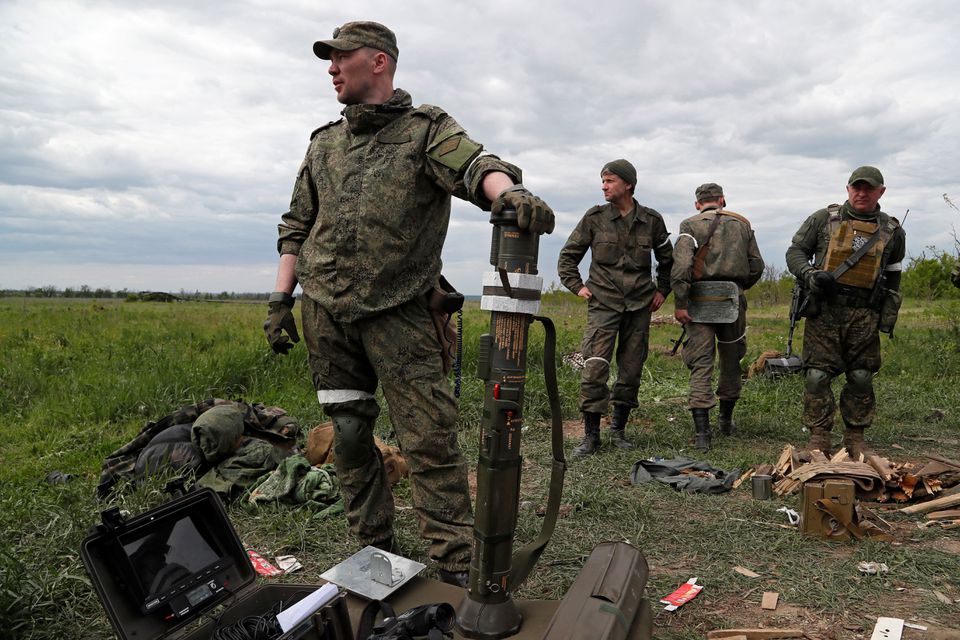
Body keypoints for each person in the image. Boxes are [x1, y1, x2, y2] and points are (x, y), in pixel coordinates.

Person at [262, 21, 554, 586]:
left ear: (377, 61)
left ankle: (452, 569)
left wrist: (509, 193)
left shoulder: (425, 129)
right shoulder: (323, 141)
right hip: (325, 310)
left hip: (400, 311)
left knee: (428, 441)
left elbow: (475, 167)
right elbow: (296, 225)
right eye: (328, 60)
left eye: (339, 58)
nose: (330, 69)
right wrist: (281, 299)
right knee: (347, 437)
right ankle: (375, 556)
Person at [785, 166, 905, 458]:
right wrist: (810, 274)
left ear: (881, 192)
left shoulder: (892, 230)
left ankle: (855, 437)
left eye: (869, 188)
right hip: (824, 310)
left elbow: (893, 273)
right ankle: (818, 437)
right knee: (816, 376)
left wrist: (885, 312)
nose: (862, 193)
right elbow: (795, 252)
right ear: (848, 188)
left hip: (864, 315)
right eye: (856, 187)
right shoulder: (824, 219)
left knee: (862, 376)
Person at [557, 159, 673, 456]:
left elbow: (667, 259)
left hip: (639, 306)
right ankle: (591, 436)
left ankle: (619, 430)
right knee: (595, 368)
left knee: (631, 369)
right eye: (603, 181)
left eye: (609, 181)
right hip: (603, 305)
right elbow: (568, 256)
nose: (603, 186)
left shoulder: (651, 220)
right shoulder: (595, 218)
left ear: (628, 184)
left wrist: (662, 290)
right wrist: (578, 286)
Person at [671, 183, 764, 450]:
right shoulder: (743, 224)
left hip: (699, 300)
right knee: (731, 360)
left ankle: (702, 434)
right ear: (722, 200)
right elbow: (756, 264)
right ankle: (725, 421)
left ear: (697, 204)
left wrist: (681, 301)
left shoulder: (689, 225)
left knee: (701, 364)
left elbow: (682, 266)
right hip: (732, 298)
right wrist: (738, 288)